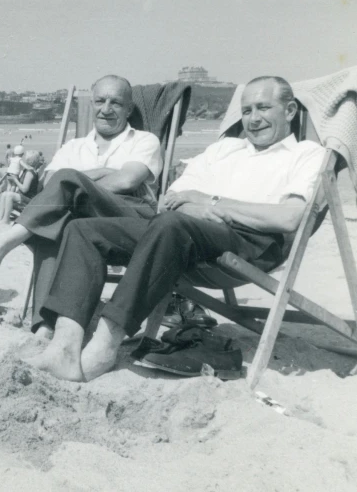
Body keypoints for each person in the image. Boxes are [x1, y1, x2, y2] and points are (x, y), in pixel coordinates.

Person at [18, 76, 326, 382]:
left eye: (264, 108)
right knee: (86, 230)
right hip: (184, 234)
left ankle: (105, 344)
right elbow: (172, 201)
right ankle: (64, 347)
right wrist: (194, 205)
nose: (254, 119)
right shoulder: (224, 150)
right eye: (247, 111)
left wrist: (212, 202)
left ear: (289, 111)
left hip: (251, 244)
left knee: (171, 224)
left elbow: (288, 218)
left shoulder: (308, 154)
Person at [0, 75, 163, 337]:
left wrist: (77, 178)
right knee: (56, 224)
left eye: (116, 103)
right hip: (81, 220)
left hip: (130, 217)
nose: (106, 109)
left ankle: (2, 245)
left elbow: (127, 179)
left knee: (64, 188)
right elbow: (50, 184)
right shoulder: (73, 146)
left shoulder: (144, 140)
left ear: (129, 109)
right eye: (100, 100)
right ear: (91, 105)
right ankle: (44, 329)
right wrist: (100, 173)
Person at [0, 150, 44, 224]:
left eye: (27, 158)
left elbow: (24, 189)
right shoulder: (27, 170)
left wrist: (15, 180)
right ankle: (0, 218)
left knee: (9, 195)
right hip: (24, 196)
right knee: (5, 194)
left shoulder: (29, 172)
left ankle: (6, 220)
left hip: (29, 199)